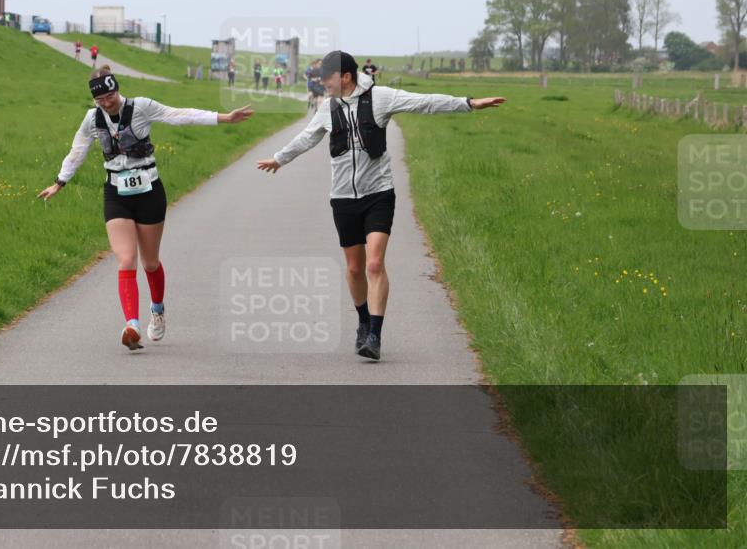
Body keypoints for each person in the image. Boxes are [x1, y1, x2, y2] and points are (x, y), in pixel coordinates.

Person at [255, 51, 503, 361]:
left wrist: (467, 103)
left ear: (345, 77)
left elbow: (422, 102)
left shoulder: (381, 98)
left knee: (374, 264)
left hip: (378, 195)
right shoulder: (327, 108)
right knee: (355, 268)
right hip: (343, 198)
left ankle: (374, 334)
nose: (323, 84)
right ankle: (362, 320)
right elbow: (306, 138)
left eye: (327, 79)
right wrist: (279, 159)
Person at [39, 66, 253, 351]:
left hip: (149, 191)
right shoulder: (92, 120)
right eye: (100, 99)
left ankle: (157, 310)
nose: (107, 102)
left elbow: (180, 115)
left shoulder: (141, 107)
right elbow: (77, 151)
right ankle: (132, 325)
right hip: (116, 193)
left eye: (110, 95)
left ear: (117, 89)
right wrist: (60, 182)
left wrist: (224, 118)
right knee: (126, 259)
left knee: (149, 262)